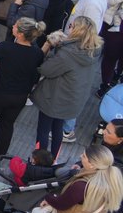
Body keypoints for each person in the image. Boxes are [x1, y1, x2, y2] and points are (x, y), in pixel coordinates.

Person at [0, 17, 46, 159]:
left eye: (16, 26)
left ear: (20, 34)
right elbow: (35, 76)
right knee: (7, 126)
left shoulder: (5, 47)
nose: (13, 26)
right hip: (19, 97)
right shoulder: (37, 53)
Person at [33, 17, 102, 157]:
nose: (69, 28)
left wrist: (52, 48)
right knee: (58, 128)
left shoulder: (68, 53)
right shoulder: (93, 49)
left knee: (43, 129)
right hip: (73, 98)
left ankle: (39, 161)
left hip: (54, 97)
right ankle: (54, 160)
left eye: (71, 25)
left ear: (76, 30)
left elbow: (46, 70)